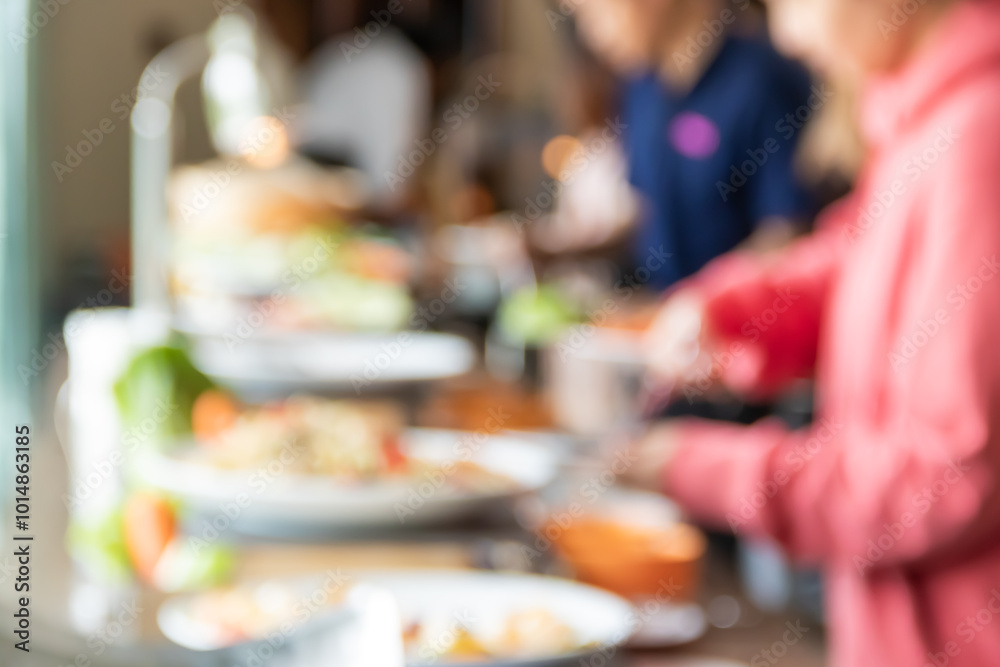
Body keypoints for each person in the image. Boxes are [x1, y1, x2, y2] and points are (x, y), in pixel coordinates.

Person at [630, 0, 1000, 665]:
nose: (787, 34)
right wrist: (729, 308)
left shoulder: (981, 137)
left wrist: (700, 468)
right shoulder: (928, 117)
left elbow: (947, 482)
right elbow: (860, 257)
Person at [572, 0, 816, 290]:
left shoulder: (763, 79)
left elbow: (789, 233)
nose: (592, 34)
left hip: (749, 312)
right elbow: (648, 217)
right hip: (663, 308)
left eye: (597, 12)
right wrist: (570, 250)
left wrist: (704, 298)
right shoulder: (639, 90)